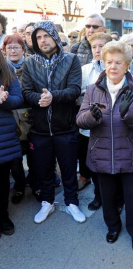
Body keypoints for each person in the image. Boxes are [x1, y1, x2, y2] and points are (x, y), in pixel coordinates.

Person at [76, 41, 133, 254]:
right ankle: (113, 227)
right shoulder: (92, 90)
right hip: (101, 154)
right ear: (104, 63)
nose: (113, 66)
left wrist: (129, 114)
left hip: (129, 154)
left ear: (127, 65)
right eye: (109, 62)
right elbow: (80, 120)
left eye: (118, 62)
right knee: (107, 197)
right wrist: (91, 116)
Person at [22, 21, 85, 224]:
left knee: (68, 168)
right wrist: (38, 100)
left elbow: (75, 89)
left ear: (55, 37)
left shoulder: (71, 60)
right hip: (40, 129)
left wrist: (53, 96)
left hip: (65, 127)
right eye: (38, 37)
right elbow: (26, 92)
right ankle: (47, 202)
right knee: (44, 169)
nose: (42, 40)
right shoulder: (30, 63)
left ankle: (72, 202)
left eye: (46, 36)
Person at [2, 34, 41, 204]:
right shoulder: (3, 68)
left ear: (23, 49)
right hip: (10, 123)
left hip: (30, 118)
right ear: (4, 50)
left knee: (34, 157)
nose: (12, 50)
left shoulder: (31, 66)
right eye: (9, 47)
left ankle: (36, 185)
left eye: (16, 47)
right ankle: (19, 187)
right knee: (15, 161)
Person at [78, 32, 112, 201]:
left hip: (110, 127)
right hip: (89, 128)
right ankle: (98, 196)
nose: (97, 50)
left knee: (108, 164)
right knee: (94, 163)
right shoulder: (85, 70)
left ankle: (113, 198)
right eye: (94, 47)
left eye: (101, 46)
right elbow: (78, 95)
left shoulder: (116, 67)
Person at [0, 48, 23, 237]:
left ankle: (3, 216)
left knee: (2, 182)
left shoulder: (6, 69)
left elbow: (18, 98)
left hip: (3, 136)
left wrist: (4, 100)